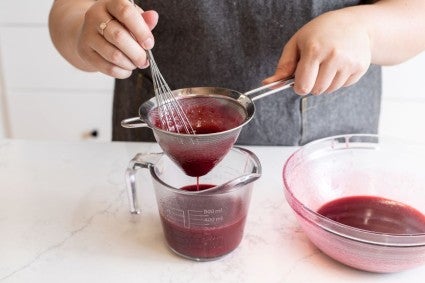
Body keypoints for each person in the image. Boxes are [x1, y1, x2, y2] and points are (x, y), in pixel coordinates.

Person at [49, 0, 425, 145]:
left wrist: (366, 29)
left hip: (323, 152)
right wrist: (88, 33)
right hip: (159, 150)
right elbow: (68, 12)